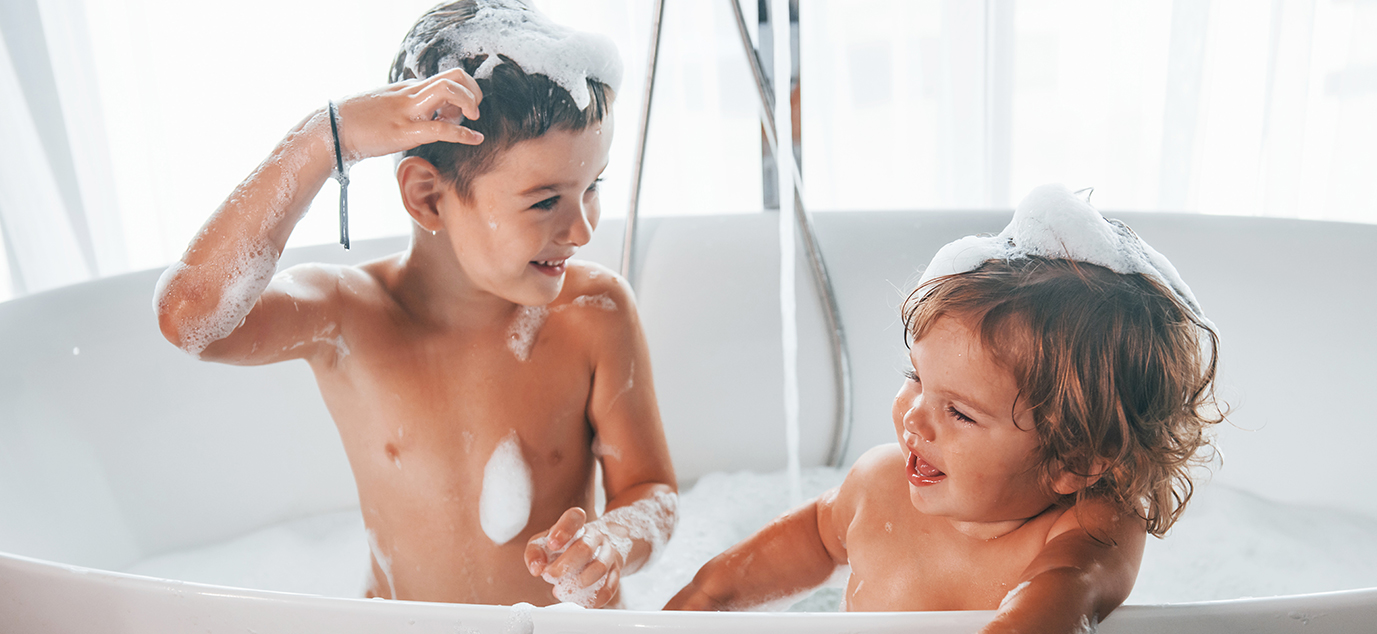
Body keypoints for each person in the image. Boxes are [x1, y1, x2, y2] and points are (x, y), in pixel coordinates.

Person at [153, 0, 676, 608]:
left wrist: (613, 540)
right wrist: (329, 136)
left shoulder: (594, 312)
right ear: (428, 197)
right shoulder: (347, 316)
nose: (583, 229)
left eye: (593, 187)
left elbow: (651, 490)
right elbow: (191, 320)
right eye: (544, 201)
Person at [665, 185, 1223, 632]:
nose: (914, 419)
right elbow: (790, 551)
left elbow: (1057, 598)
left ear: (1071, 460)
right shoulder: (878, 486)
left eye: (959, 413)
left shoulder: (1088, 529)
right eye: (915, 378)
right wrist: (696, 606)